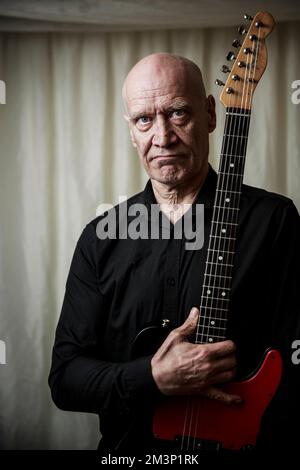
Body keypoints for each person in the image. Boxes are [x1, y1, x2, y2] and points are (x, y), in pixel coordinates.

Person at [49, 53, 300, 457]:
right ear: (132, 132)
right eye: (144, 120)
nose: (162, 137)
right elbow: (64, 378)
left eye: (178, 113)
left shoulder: (275, 222)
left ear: (210, 115)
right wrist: (152, 377)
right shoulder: (100, 239)